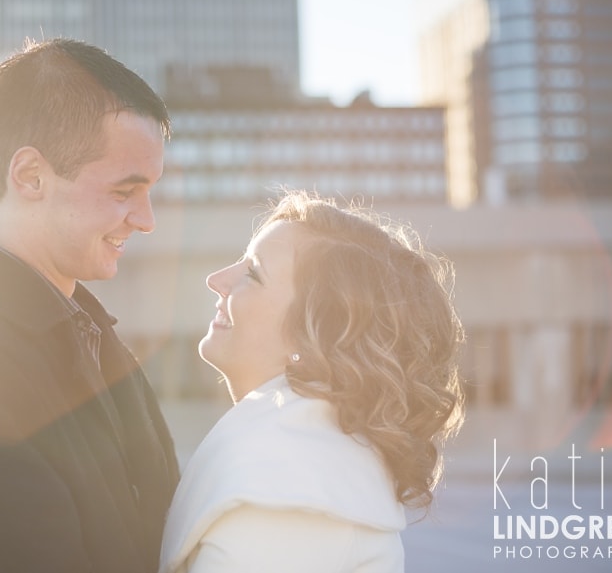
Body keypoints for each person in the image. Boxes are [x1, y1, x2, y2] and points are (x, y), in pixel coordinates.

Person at [0, 38, 180, 573]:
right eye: (124, 192)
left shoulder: (86, 331)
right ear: (30, 177)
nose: (146, 218)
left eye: (150, 191)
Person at [159, 190, 465, 573]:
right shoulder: (307, 468)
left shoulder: (288, 499)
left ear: (318, 335)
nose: (216, 280)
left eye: (253, 272)